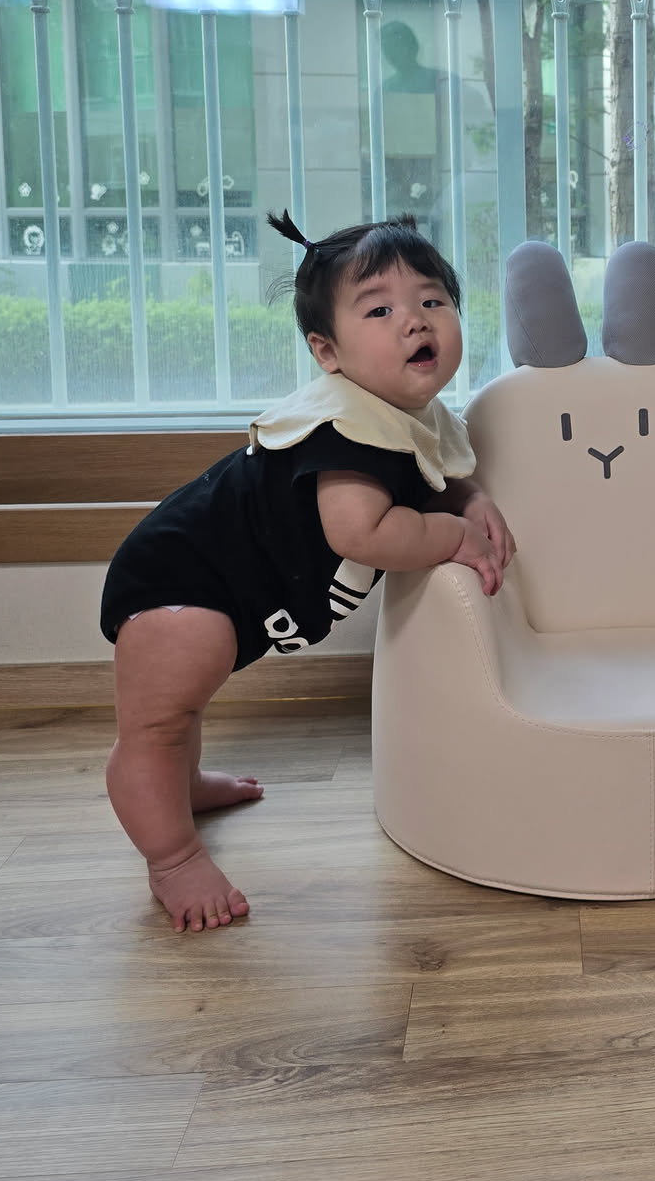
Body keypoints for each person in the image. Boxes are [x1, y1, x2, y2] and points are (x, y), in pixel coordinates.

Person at [99, 211, 514, 935]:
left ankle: (181, 786)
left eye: (432, 300)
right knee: (157, 724)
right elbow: (361, 530)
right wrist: (452, 534)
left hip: (224, 587)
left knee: (185, 709)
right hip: (179, 583)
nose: (414, 320)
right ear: (327, 351)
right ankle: (172, 858)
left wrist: (470, 497)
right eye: (379, 310)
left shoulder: (404, 412)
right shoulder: (343, 429)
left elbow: (432, 473)